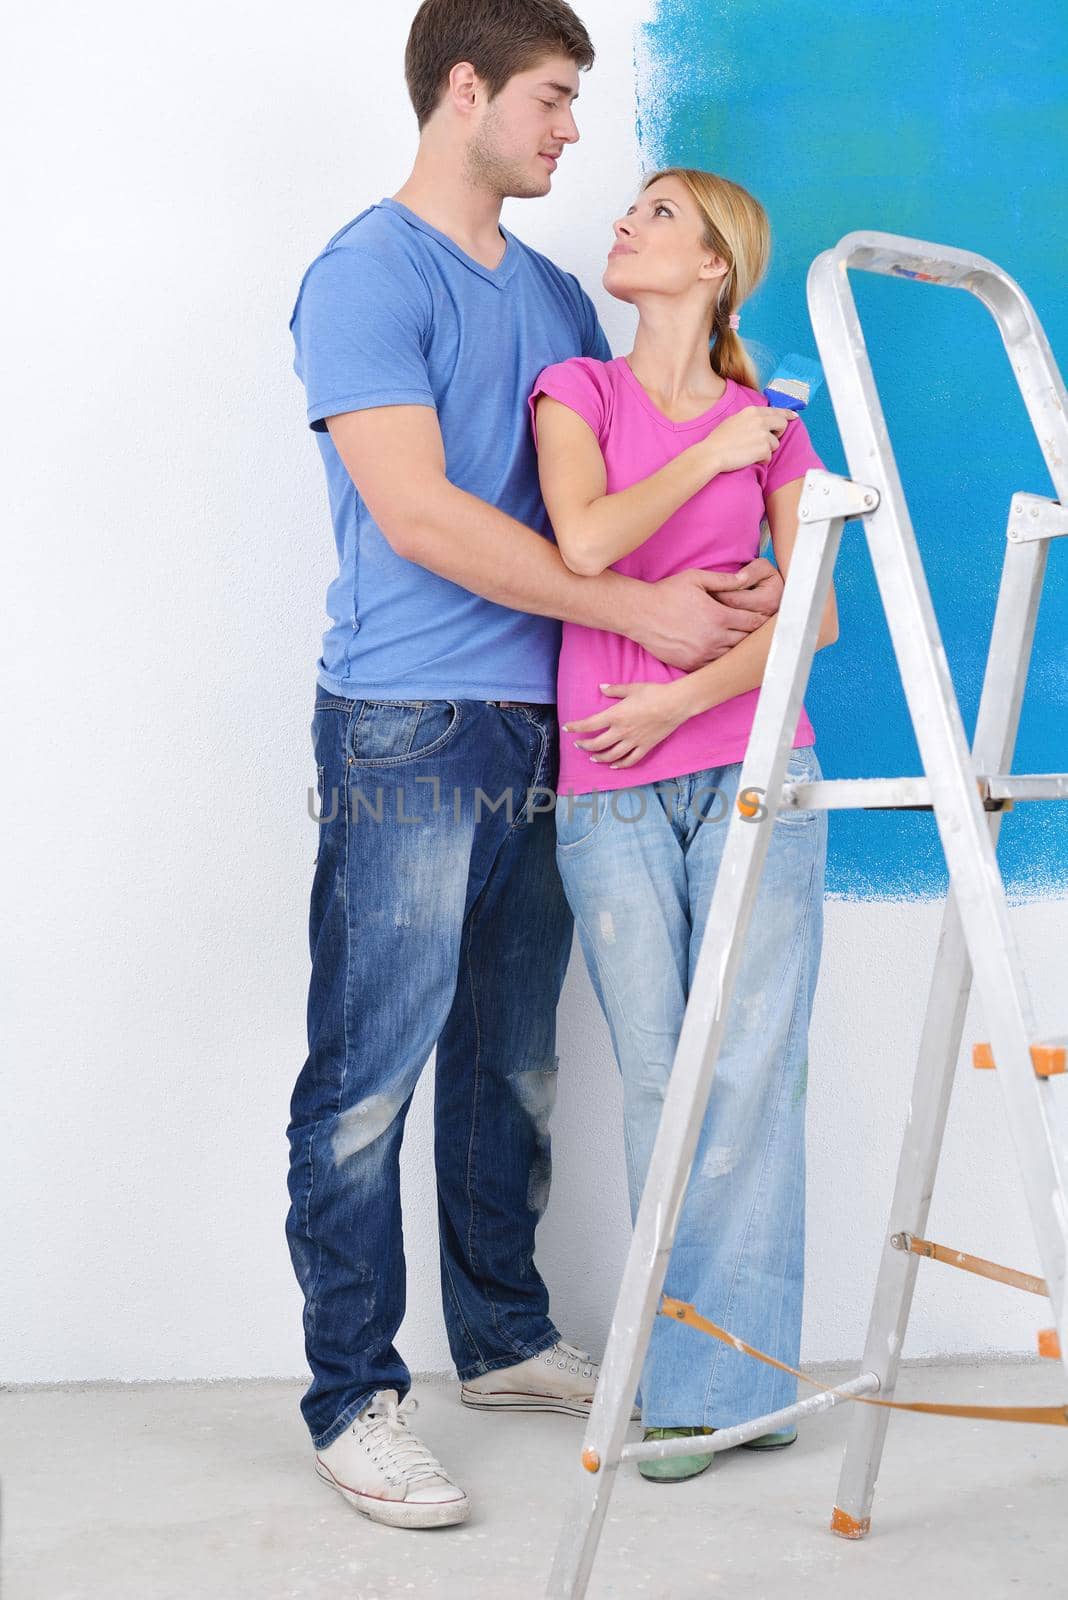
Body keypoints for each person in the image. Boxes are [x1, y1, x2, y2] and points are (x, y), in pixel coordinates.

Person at [284, 3, 786, 1530]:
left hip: (559, 722)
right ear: (466, 88)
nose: (575, 133)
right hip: (410, 724)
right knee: (370, 1076)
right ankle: (353, 1396)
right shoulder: (366, 275)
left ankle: (499, 1337)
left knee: (512, 1057)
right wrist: (634, 603)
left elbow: (622, 477)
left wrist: (739, 588)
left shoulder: (561, 296)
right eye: (555, 99)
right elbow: (423, 517)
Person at [529, 166, 837, 1483]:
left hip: (758, 763)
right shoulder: (575, 393)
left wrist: (686, 699)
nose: (626, 224)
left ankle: (722, 1394)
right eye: (630, 209)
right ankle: (675, 1370)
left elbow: (810, 618)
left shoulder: (777, 423)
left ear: (715, 263)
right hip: (608, 783)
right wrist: (710, 454)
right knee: (661, 1070)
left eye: (659, 214)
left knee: (755, 1067)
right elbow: (587, 544)